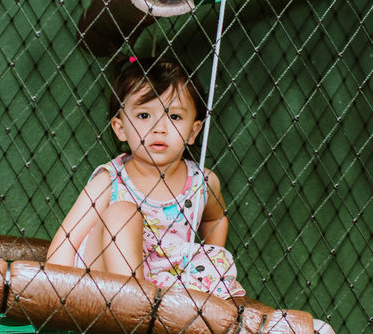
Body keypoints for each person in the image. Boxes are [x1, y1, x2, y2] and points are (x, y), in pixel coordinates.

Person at [47, 55, 244, 299]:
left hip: (165, 284)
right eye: (143, 116)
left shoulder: (202, 182)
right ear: (120, 129)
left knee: (216, 261)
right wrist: (61, 302)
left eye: (174, 117)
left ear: (193, 132)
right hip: (99, 283)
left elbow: (215, 219)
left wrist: (204, 260)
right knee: (123, 213)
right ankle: (135, 308)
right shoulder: (110, 180)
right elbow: (63, 246)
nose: (159, 127)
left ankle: (149, 315)